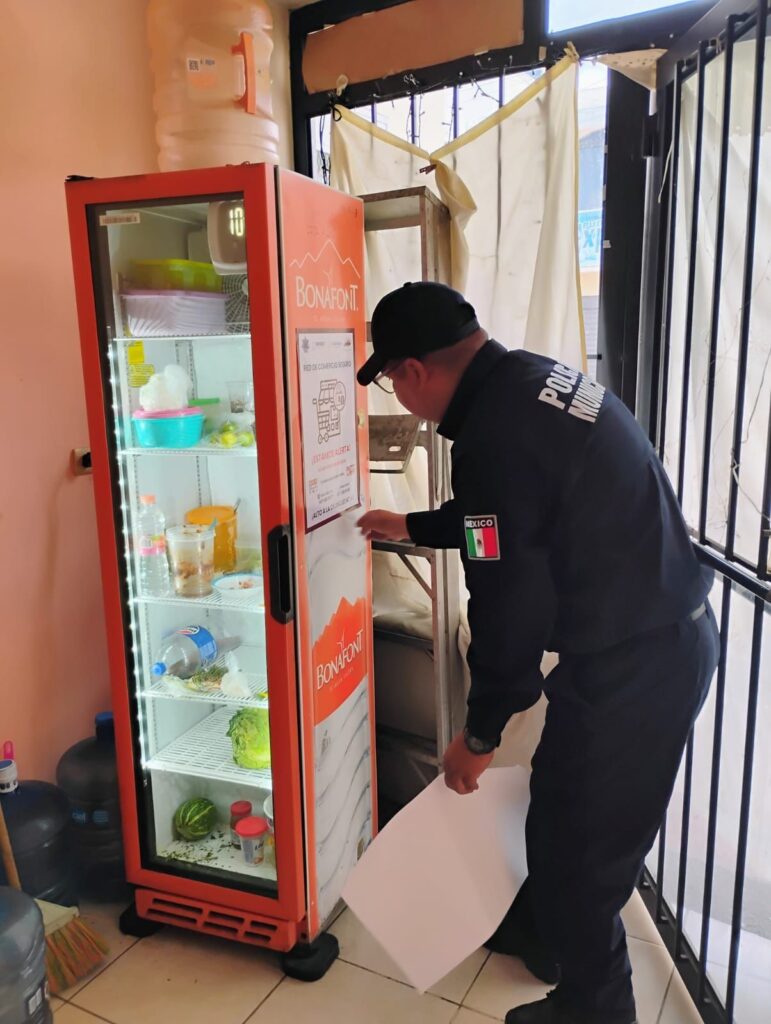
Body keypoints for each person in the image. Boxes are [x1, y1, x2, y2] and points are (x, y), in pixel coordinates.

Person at [357, 282, 719, 1024]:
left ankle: (595, 1011)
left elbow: (508, 605)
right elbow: (505, 518)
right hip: (655, 643)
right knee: (567, 836)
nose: (401, 397)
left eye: (391, 379)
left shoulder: (493, 436)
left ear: (413, 370)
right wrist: (414, 525)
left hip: (634, 668)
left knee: (577, 858)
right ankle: (572, 978)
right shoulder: (531, 383)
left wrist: (479, 735)